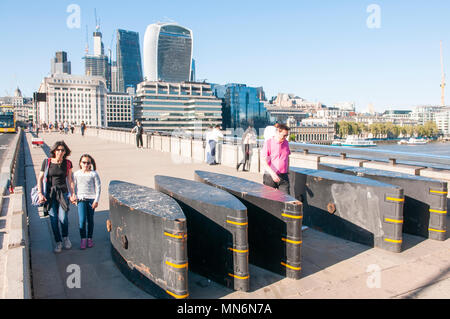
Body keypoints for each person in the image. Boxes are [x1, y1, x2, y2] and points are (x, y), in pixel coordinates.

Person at [37, 141, 76, 253]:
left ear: (65, 152)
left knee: (63, 218)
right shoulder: (47, 162)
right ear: (54, 150)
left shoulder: (68, 163)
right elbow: (40, 178)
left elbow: (70, 180)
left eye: (62, 150)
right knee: (53, 219)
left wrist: (72, 194)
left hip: (63, 193)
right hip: (50, 194)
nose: (60, 152)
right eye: (58, 150)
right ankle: (58, 242)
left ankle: (65, 238)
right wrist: (40, 193)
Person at [73, 154, 101, 250]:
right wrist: (73, 196)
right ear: (80, 163)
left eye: (88, 163)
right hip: (81, 200)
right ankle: (83, 239)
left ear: (90, 164)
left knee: (90, 220)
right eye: (84, 162)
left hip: (91, 200)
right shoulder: (76, 174)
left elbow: (98, 187)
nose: (86, 164)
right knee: (82, 221)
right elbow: (73, 187)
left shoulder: (93, 174)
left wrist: (96, 200)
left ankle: (89, 239)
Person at [261, 123, 291, 194]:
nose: (285, 137)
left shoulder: (286, 143)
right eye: (284, 135)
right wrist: (272, 173)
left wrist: (287, 169)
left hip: (284, 176)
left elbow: (287, 157)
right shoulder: (268, 143)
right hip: (270, 176)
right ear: (277, 132)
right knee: (270, 199)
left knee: (286, 199)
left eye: (287, 135)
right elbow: (263, 160)